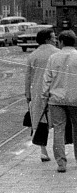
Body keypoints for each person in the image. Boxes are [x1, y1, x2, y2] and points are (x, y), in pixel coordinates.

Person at [42, 29, 77, 173]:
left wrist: (45, 97)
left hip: (56, 100)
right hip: (75, 98)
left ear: (61, 42)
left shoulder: (53, 58)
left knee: (58, 130)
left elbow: (47, 79)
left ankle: (61, 163)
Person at [25, 27, 59, 162]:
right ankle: (59, 151)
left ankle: (43, 151)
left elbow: (28, 77)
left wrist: (28, 95)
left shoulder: (32, 55)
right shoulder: (58, 53)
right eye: (54, 38)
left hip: (37, 93)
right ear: (47, 39)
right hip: (55, 91)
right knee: (59, 123)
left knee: (40, 121)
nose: (55, 40)